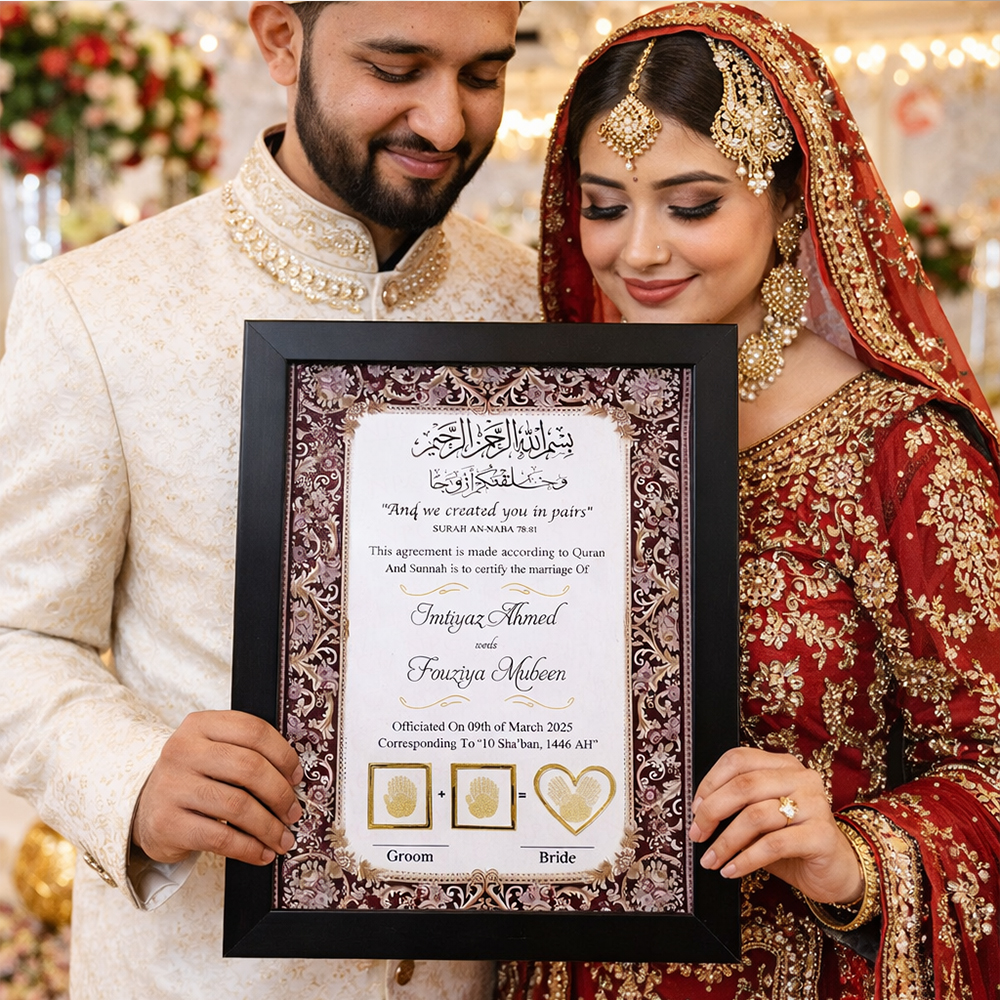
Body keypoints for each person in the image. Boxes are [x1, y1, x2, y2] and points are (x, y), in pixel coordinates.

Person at [0, 3, 537, 998]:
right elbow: (17, 631)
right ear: (282, 41)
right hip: (199, 973)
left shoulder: (537, 304)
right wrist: (131, 773)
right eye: (397, 69)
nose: (445, 122)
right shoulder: (100, 309)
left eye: (481, 75)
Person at [503, 4, 1000, 998]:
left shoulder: (903, 454)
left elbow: (986, 760)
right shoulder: (553, 424)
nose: (638, 251)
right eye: (603, 206)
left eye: (691, 205)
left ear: (788, 202)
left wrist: (852, 860)